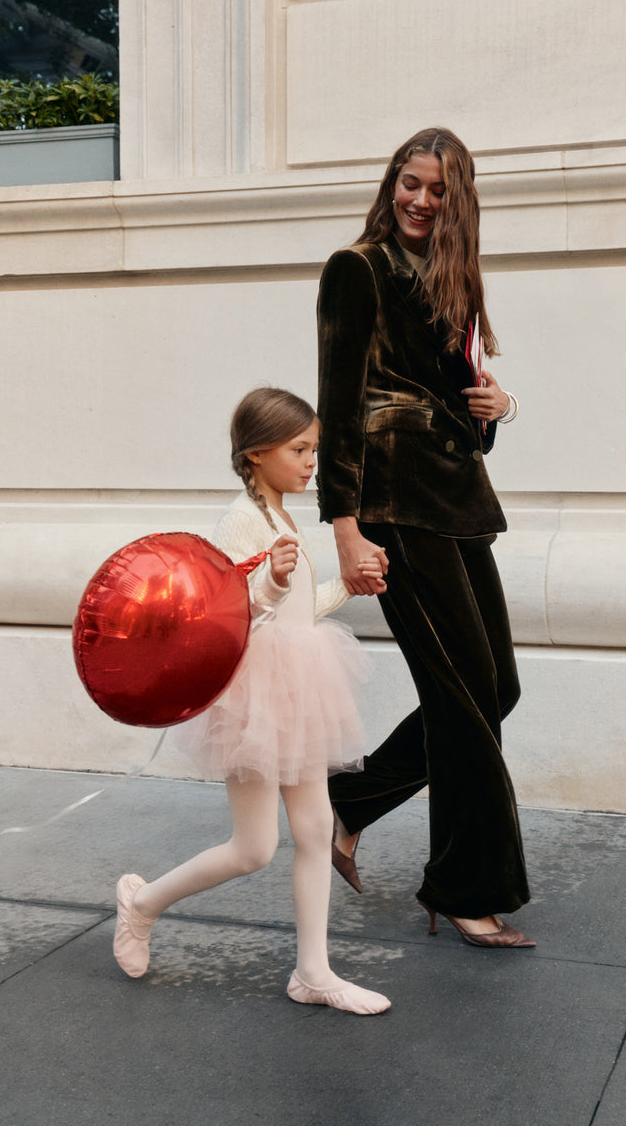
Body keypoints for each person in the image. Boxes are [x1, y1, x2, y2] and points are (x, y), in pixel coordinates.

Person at [316, 127, 534, 948]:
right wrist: (344, 526)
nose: (418, 199)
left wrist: (496, 409)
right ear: (391, 183)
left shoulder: (454, 282)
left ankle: (349, 803)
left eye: (437, 190)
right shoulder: (357, 269)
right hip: (395, 505)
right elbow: (338, 404)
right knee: (466, 699)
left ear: (457, 202)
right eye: (410, 182)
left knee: (495, 689)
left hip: (457, 501)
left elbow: (466, 418)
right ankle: (464, 888)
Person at [113, 387, 391, 1014]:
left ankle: (313, 973)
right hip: (254, 695)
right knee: (254, 848)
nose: (311, 461)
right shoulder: (238, 521)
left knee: (318, 827)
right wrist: (269, 579)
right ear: (259, 454)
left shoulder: (284, 517)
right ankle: (143, 902)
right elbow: (223, 616)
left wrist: (345, 585)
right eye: (300, 449)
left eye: (314, 449)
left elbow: (296, 612)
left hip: (298, 684)